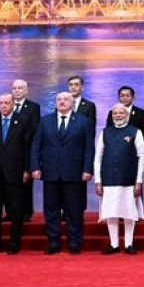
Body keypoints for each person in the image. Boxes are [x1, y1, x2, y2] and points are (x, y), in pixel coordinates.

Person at [31, 93, 95, 255]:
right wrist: (35, 167)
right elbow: (36, 145)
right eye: (59, 100)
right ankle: (53, 242)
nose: (62, 102)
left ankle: (75, 243)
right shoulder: (45, 121)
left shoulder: (83, 121)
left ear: (72, 103)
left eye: (65, 99)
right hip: (51, 172)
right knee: (51, 210)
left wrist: (88, 169)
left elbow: (89, 148)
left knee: (74, 210)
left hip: (74, 173)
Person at [0, 93, 32, 254]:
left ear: (13, 104)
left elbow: (27, 147)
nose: (3, 106)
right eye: (1, 103)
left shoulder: (23, 121)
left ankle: (14, 242)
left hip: (15, 171)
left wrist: (27, 169)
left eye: (7, 103)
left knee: (15, 209)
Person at [94, 103, 144, 255]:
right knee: (111, 212)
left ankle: (129, 243)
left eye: (121, 113)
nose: (118, 116)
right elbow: (98, 157)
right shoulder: (105, 133)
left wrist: (139, 181)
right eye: (115, 113)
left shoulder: (135, 132)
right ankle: (114, 244)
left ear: (127, 115)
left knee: (129, 212)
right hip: (109, 179)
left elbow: (142, 157)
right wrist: (98, 180)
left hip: (128, 179)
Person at [11, 79, 42, 221]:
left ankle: (26, 212)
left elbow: (35, 128)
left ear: (26, 90)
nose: (17, 90)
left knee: (26, 183)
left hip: (26, 150)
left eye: (20, 88)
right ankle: (10, 212)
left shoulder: (33, 107)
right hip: (10, 152)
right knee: (10, 184)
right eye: (15, 88)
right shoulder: (8, 105)